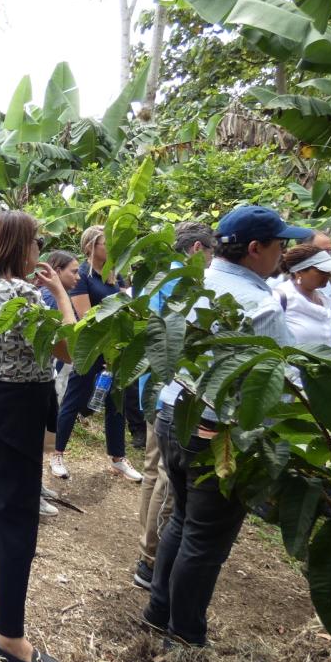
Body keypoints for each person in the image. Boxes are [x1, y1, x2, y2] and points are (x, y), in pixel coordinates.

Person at [143, 205, 312, 647]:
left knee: (182, 520)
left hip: (173, 415)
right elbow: (286, 379)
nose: (284, 254)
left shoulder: (191, 283)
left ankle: (158, 613)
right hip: (219, 433)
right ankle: (184, 634)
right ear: (255, 249)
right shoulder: (258, 304)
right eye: (280, 245)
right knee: (205, 539)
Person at [0, 210, 74, 662]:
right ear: (20, 247)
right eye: (35, 244)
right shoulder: (23, 296)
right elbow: (70, 349)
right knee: (18, 518)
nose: (38, 252)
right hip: (21, 409)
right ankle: (11, 636)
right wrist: (62, 294)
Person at [132, 221, 215, 591]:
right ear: (198, 248)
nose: (213, 260)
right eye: (211, 252)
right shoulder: (184, 283)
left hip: (155, 386)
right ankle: (151, 560)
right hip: (171, 389)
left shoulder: (160, 277)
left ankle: (146, 550)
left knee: (154, 470)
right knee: (165, 474)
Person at [50, 225, 142, 482]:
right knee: (73, 399)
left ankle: (117, 457)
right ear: (90, 246)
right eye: (106, 243)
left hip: (115, 349)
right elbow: (87, 316)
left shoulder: (116, 274)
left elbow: (129, 309)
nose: (112, 247)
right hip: (90, 348)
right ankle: (57, 453)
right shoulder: (82, 275)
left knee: (116, 403)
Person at [38, 249, 80, 517]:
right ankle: (32, 489)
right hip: (49, 375)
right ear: (55, 270)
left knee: (43, 437)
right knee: (40, 435)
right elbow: (69, 344)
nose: (78, 276)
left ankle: (36, 484)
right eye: (73, 271)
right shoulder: (51, 301)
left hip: (57, 375)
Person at [276, 244, 331, 348]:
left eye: (329, 271)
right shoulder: (280, 298)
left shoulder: (323, 299)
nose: (328, 275)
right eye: (321, 271)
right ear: (298, 271)